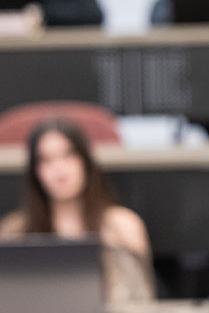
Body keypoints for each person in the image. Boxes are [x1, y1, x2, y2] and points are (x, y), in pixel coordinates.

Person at [0, 118, 155, 303]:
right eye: (46, 160)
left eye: (69, 155)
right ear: (35, 171)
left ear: (85, 162)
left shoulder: (123, 226)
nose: (59, 169)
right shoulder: (14, 232)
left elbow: (144, 301)